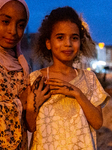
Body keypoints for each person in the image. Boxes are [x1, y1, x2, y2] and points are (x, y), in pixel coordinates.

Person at [26, 6, 110, 150]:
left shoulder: (89, 79)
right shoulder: (36, 79)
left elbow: (97, 123)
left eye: (74, 38)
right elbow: (30, 127)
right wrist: (32, 104)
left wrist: (77, 93)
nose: (68, 44)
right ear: (48, 43)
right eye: (60, 37)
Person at [0, 0, 30, 149]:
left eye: (20, 25)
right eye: (5, 21)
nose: (13, 31)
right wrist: (20, 103)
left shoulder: (22, 66)